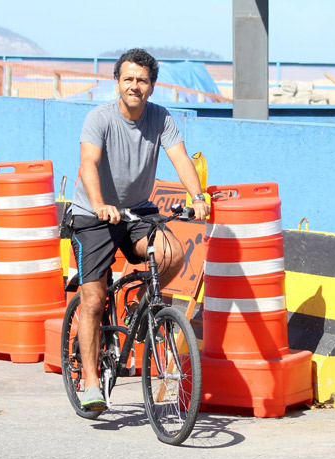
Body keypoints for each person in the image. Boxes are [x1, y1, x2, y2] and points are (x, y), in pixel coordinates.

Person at [68, 48, 211, 411]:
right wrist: (101, 204)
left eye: (142, 80)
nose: (135, 86)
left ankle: (140, 304)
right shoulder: (99, 118)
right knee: (94, 300)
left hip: (136, 211)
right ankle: (89, 381)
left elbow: (180, 156)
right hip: (92, 214)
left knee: (172, 254)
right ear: (117, 82)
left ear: (152, 85)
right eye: (129, 79)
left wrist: (197, 195)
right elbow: (89, 164)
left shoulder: (161, 119)